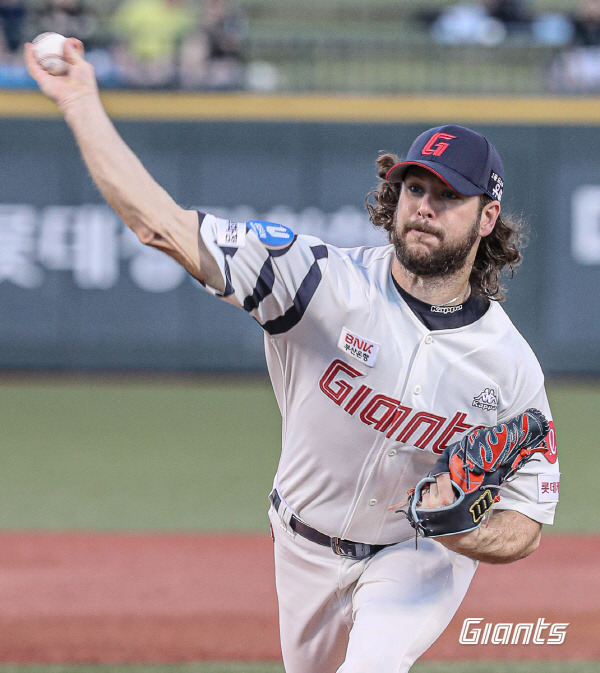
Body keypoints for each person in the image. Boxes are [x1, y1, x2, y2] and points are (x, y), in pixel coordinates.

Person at [24, 39, 560, 673]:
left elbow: (527, 515)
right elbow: (160, 226)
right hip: (301, 543)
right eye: (415, 186)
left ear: (487, 217)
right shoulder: (317, 284)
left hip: (417, 556)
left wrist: (463, 531)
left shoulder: (509, 365)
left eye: (448, 195)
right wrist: (81, 101)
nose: (424, 205)